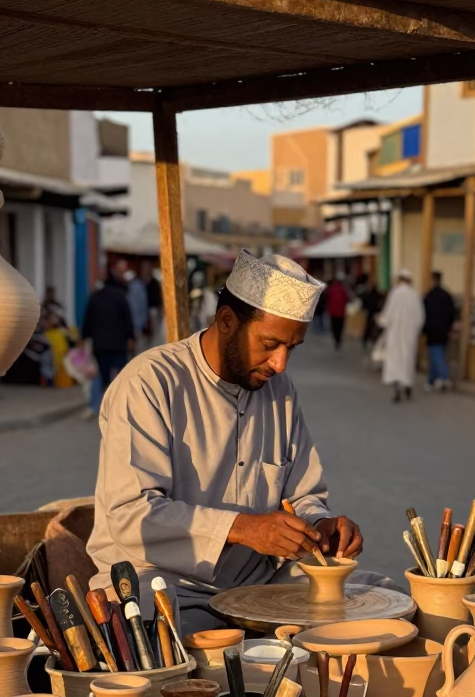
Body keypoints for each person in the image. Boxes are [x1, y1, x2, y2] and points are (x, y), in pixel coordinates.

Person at [87, 250, 392, 633]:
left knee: (383, 597)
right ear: (227, 321)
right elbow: (132, 515)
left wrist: (319, 524)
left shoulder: (277, 389)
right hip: (166, 585)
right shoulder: (150, 383)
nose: (280, 364)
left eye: (291, 349)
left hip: (256, 584)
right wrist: (243, 528)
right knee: (176, 640)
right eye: (269, 344)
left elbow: (302, 495)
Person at [81, 269, 135, 417]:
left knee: (102, 376)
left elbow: (88, 320)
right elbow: (128, 319)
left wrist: (84, 337)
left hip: (100, 344)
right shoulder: (120, 297)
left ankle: (102, 406)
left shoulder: (95, 297)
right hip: (119, 344)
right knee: (120, 375)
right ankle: (119, 406)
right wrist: (131, 338)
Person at [378, 269, 425, 402]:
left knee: (395, 361)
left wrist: (382, 322)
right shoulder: (414, 295)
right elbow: (420, 318)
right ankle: (407, 384)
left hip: (394, 335)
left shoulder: (395, 294)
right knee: (407, 360)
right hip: (409, 336)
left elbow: (388, 314)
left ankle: (397, 389)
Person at [423, 271, 456, 391]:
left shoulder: (429, 296)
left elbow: (424, 313)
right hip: (444, 330)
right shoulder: (447, 295)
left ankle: (444, 377)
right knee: (436, 354)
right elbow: (452, 313)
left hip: (432, 330)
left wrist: (424, 330)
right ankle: (431, 380)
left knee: (436, 354)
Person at [357, 274, 383, 348]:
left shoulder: (369, 293)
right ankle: (370, 341)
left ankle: (367, 341)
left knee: (369, 328)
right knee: (371, 328)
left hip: (371, 313)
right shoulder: (375, 294)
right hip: (374, 313)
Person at [324, 276, 349, 349]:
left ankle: (336, 339)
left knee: (334, 326)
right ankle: (338, 339)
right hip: (341, 312)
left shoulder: (331, 290)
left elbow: (327, 300)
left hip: (333, 312)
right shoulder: (343, 290)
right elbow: (346, 299)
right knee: (340, 326)